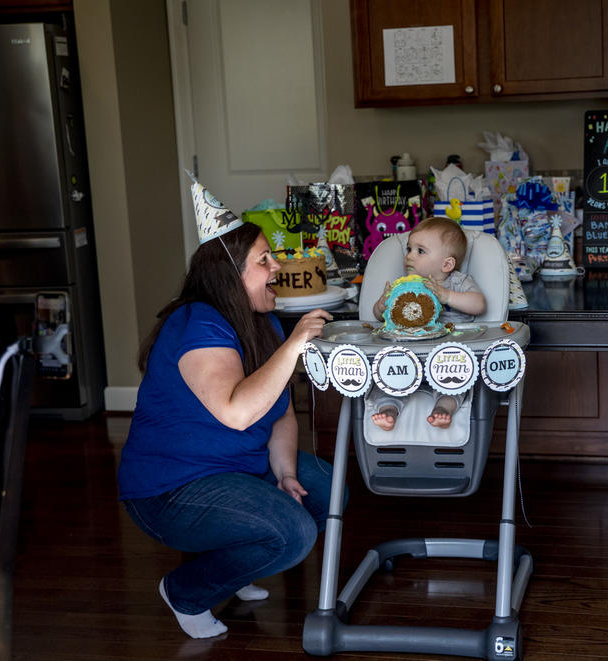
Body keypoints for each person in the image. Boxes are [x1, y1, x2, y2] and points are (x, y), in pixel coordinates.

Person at [118, 183, 339, 640]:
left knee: (326, 492)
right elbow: (237, 412)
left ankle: (234, 569)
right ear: (229, 275)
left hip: (239, 469)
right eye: (263, 261)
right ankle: (186, 591)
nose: (276, 267)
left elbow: (281, 412)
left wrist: (282, 471)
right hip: (173, 489)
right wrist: (297, 342)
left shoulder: (265, 323)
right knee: (292, 534)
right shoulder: (198, 323)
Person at [367, 217, 486, 430]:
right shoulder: (402, 285)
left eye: (420, 251)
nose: (409, 256)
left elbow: (479, 305)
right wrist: (382, 304)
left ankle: (443, 408)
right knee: (385, 381)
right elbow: (377, 317)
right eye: (409, 249)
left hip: (446, 356)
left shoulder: (457, 282)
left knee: (455, 384)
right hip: (408, 355)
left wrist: (447, 296)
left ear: (447, 264)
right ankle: (388, 410)